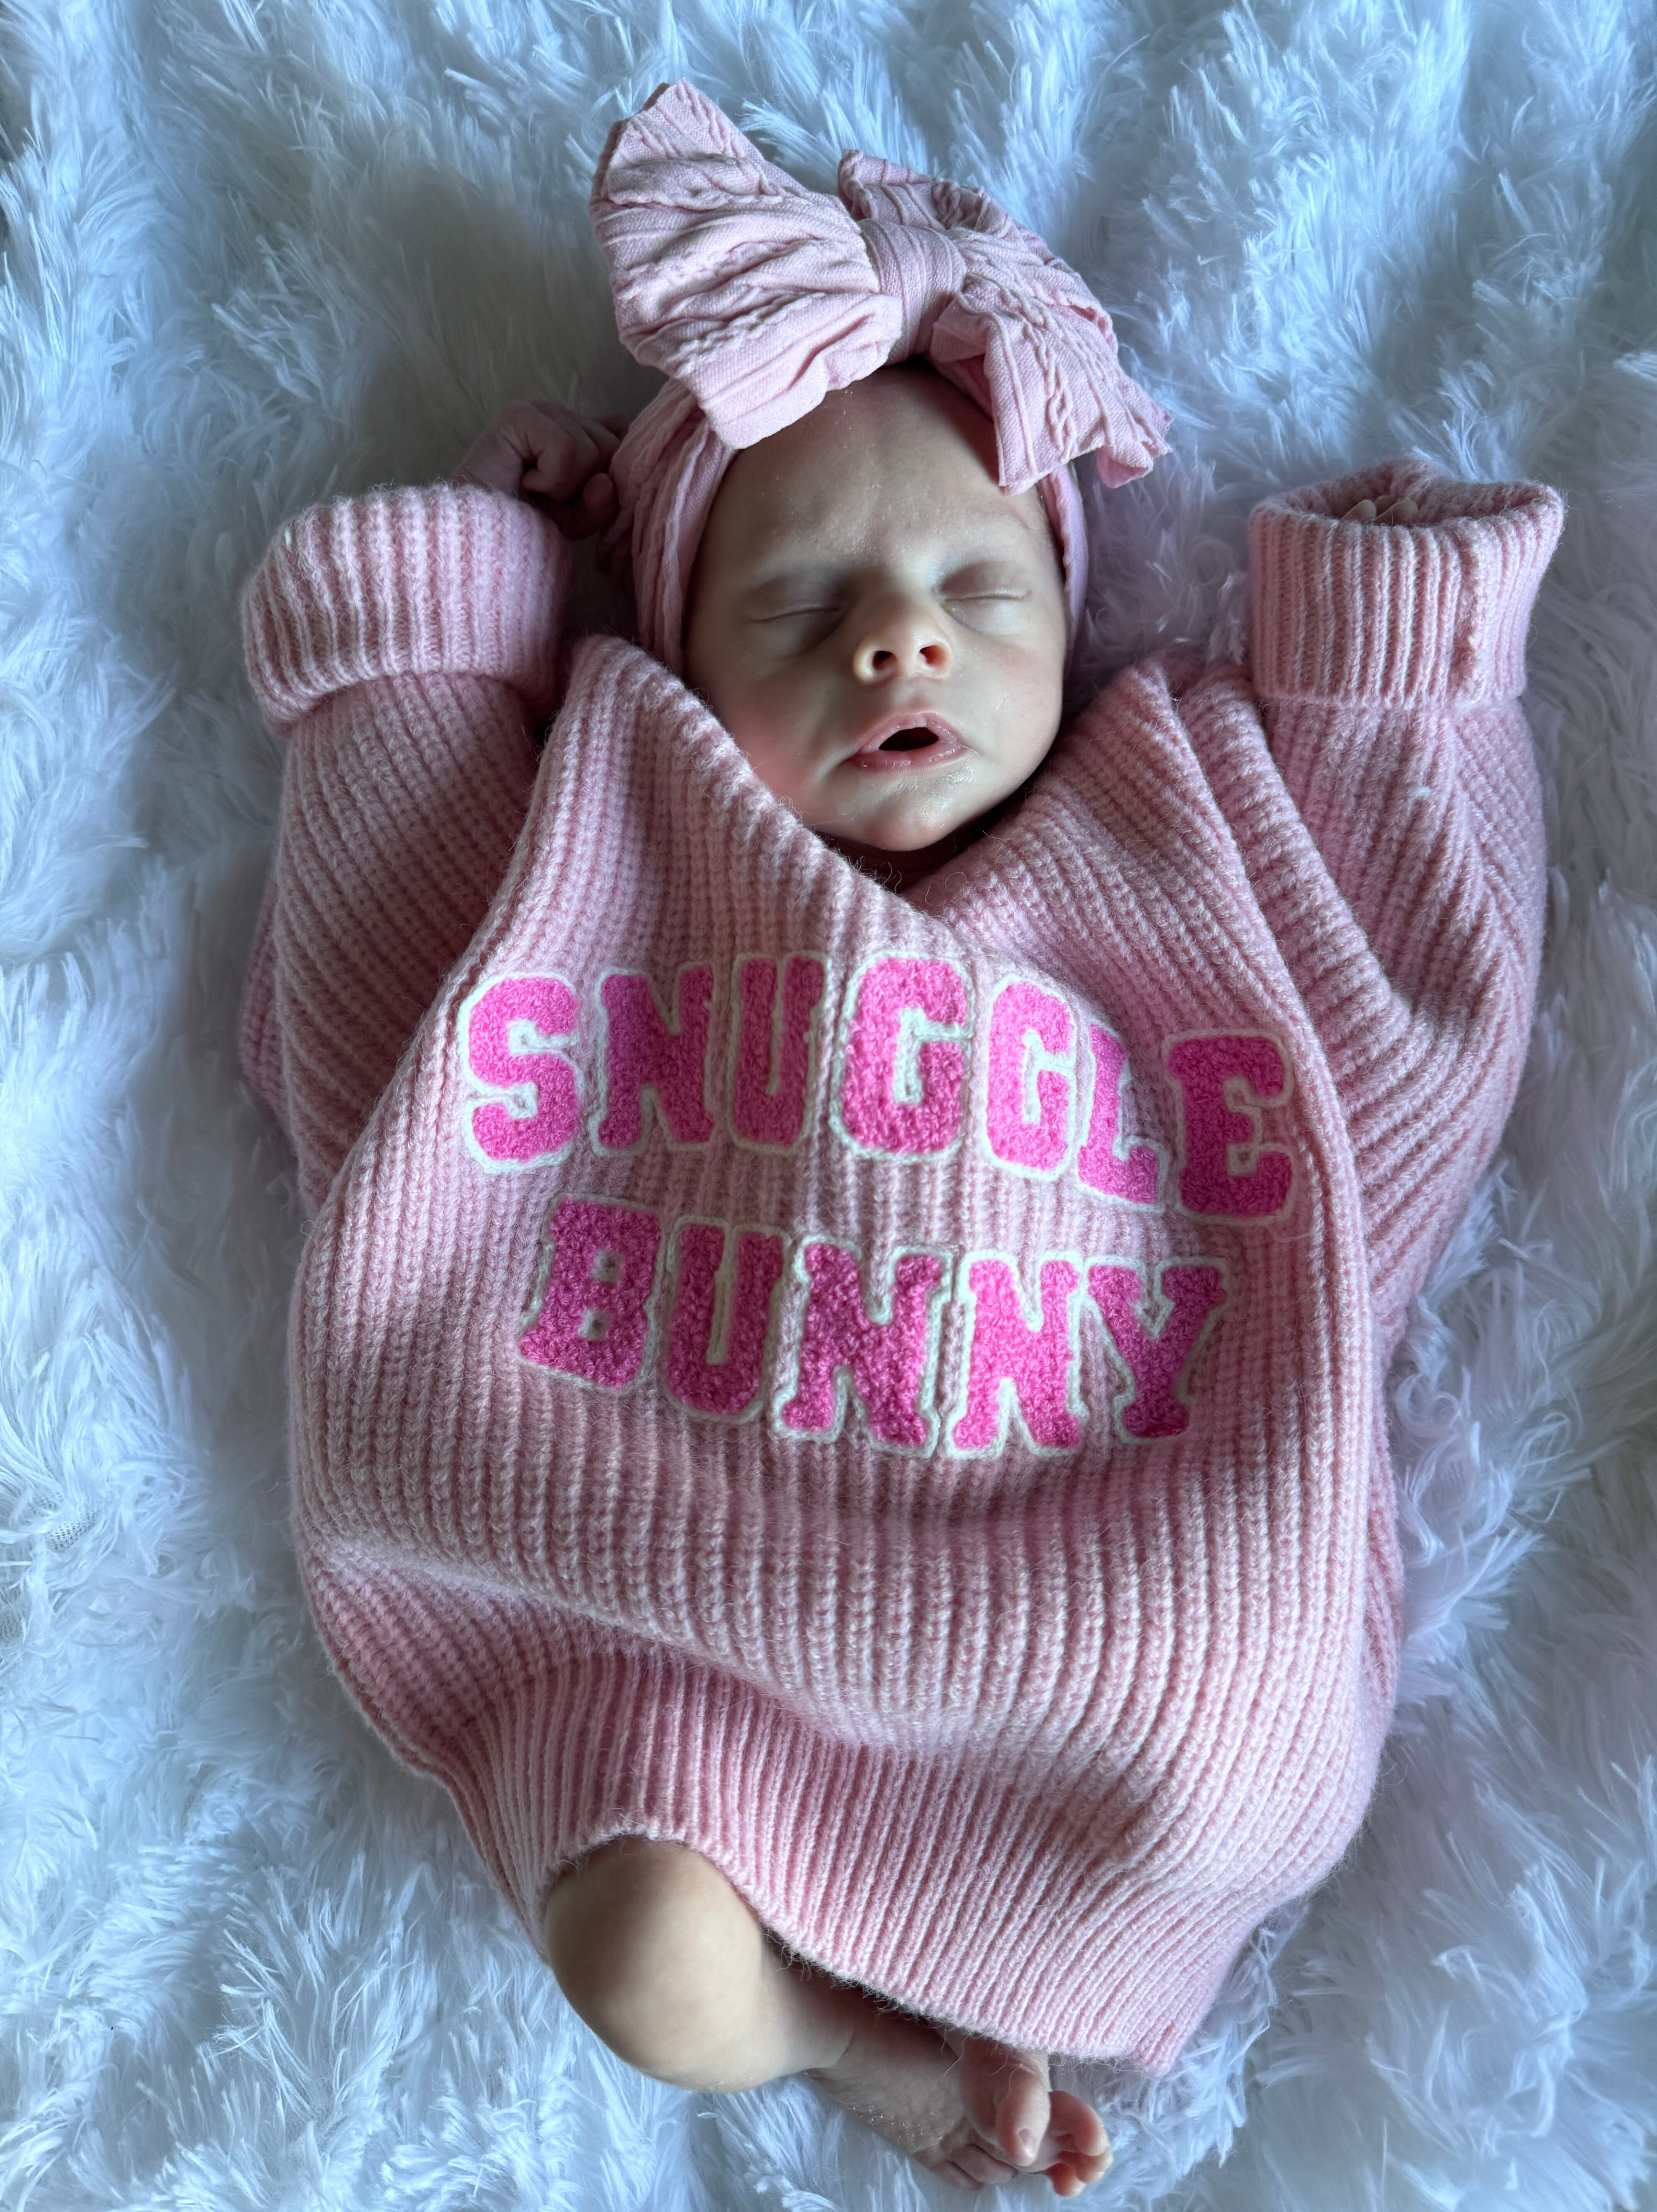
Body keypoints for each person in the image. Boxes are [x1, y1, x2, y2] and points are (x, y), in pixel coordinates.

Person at [237, 80, 1563, 2196]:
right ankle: (852, 2045)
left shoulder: (1174, 839)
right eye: (798, 606)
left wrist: (1387, 674)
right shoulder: (620, 844)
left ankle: (1014, 1959)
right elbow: (382, 1020)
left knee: (1219, 1708)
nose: (896, 634)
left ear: (1067, 610)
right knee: (643, 1953)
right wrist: (439, 631)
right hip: (673, 1611)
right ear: (670, 661)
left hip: (1116, 1619)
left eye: (972, 582)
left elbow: (1401, 1038)